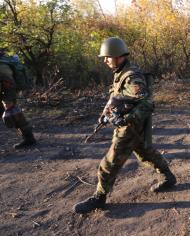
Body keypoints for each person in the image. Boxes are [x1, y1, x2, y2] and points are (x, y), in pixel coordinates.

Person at [74, 37, 176, 214]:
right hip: (133, 126)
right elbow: (118, 98)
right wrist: (105, 116)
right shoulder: (121, 73)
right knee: (146, 153)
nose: (105, 60)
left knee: (109, 163)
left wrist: (126, 119)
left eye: (107, 57)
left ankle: (99, 197)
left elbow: (147, 104)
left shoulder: (131, 77)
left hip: (130, 128)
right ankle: (168, 177)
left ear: (117, 56)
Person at [0, 48, 37, 149]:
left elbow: (9, 84)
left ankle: (29, 138)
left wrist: (9, 101)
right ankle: (29, 138)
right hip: (5, 89)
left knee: (13, 113)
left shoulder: (2, 67)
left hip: (8, 90)